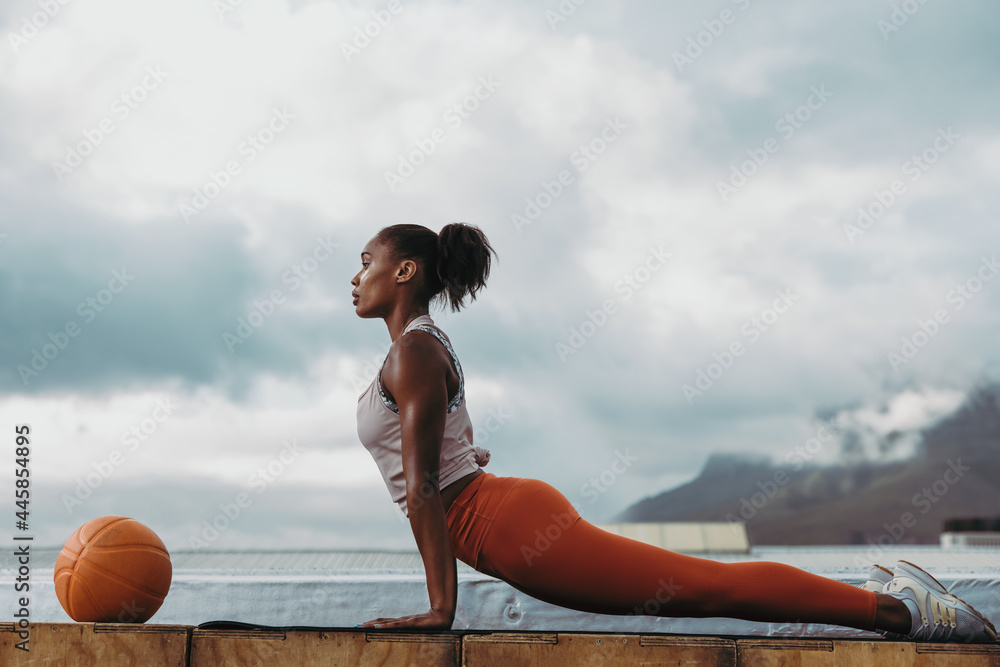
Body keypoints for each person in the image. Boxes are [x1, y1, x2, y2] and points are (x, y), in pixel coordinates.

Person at [350, 222, 997, 643]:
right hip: (503, 517)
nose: (357, 276)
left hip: (505, 527)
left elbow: (428, 484)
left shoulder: (413, 352)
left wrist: (441, 611)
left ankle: (902, 610)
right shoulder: (417, 351)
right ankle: (892, 602)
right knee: (701, 585)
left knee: (705, 587)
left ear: (404, 271)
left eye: (366, 261)